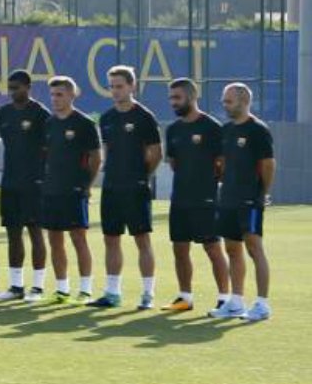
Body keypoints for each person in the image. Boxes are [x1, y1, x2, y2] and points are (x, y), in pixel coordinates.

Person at [94, 65, 161, 309]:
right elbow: (107, 151)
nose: (115, 91)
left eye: (119, 86)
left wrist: (142, 175)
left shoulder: (144, 117)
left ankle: (148, 294)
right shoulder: (107, 118)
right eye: (111, 86)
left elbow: (156, 153)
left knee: (141, 240)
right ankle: (112, 293)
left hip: (136, 188)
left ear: (132, 86)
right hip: (111, 187)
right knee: (111, 239)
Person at [162, 77, 226, 314]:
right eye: (171, 98)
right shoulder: (173, 130)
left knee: (212, 247)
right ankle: (185, 298)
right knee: (179, 248)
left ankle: (224, 298)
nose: (173, 102)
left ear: (191, 97)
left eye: (177, 98)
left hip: (205, 199)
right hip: (180, 198)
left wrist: (208, 183)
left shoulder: (211, 127)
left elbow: (222, 164)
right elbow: (174, 163)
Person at [38, 76, 101, 304]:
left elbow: (96, 158)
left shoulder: (84, 124)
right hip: (51, 189)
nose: (55, 99)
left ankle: (85, 289)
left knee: (78, 238)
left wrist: (87, 185)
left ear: (72, 95)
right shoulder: (49, 124)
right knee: (55, 240)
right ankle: (62, 289)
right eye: (52, 95)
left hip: (74, 190)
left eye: (60, 94)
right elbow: (45, 155)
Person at [214, 82, 274, 321]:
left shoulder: (258, 130)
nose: (224, 104)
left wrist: (262, 193)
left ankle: (262, 304)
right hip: (227, 198)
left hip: (250, 199)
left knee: (254, 248)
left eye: (229, 100)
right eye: (224, 100)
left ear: (243, 101)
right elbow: (224, 163)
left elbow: (268, 165)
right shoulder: (226, 130)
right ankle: (236, 302)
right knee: (231, 249)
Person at [0, 69, 50, 299]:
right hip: (10, 182)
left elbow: (48, 149)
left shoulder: (40, 114)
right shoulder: (4, 113)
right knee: (13, 233)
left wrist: (42, 177)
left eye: (16, 87)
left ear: (28, 87)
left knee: (36, 233)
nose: (12, 92)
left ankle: (37, 287)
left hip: (34, 183)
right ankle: (16, 287)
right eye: (10, 88)